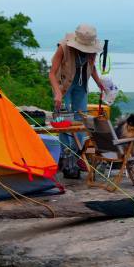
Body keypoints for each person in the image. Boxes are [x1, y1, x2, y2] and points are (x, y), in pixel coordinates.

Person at [49, 24, 105, 170]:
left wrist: (99, 82)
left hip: (81, 84)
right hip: (63, 84)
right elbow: (52, 73)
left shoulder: (91, 51)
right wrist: (57, 93)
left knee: (81, 119)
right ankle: (65, 155)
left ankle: (78, 155)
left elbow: (91, 67)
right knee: (64, 120)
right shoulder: (64, 47)